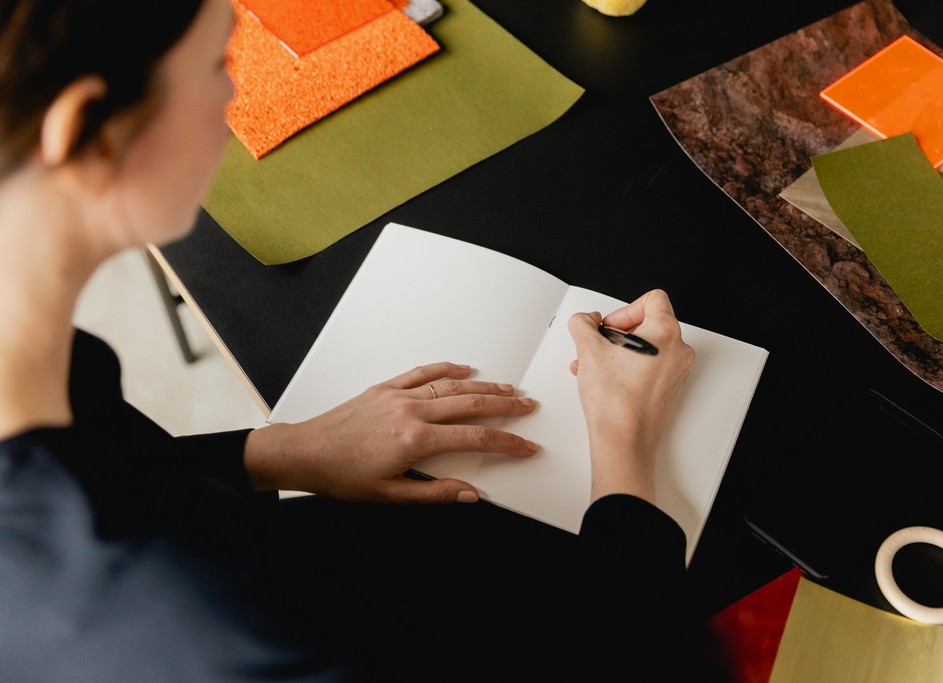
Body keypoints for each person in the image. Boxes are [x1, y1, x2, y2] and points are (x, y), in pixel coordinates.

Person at [0, 0, 703, 680]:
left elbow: (121, 470)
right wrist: (627, 448)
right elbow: (622, 660)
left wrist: (280, 451)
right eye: (219, 63)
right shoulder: (215, 622)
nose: (234, 98)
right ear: (87, 127)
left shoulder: (38, 364)